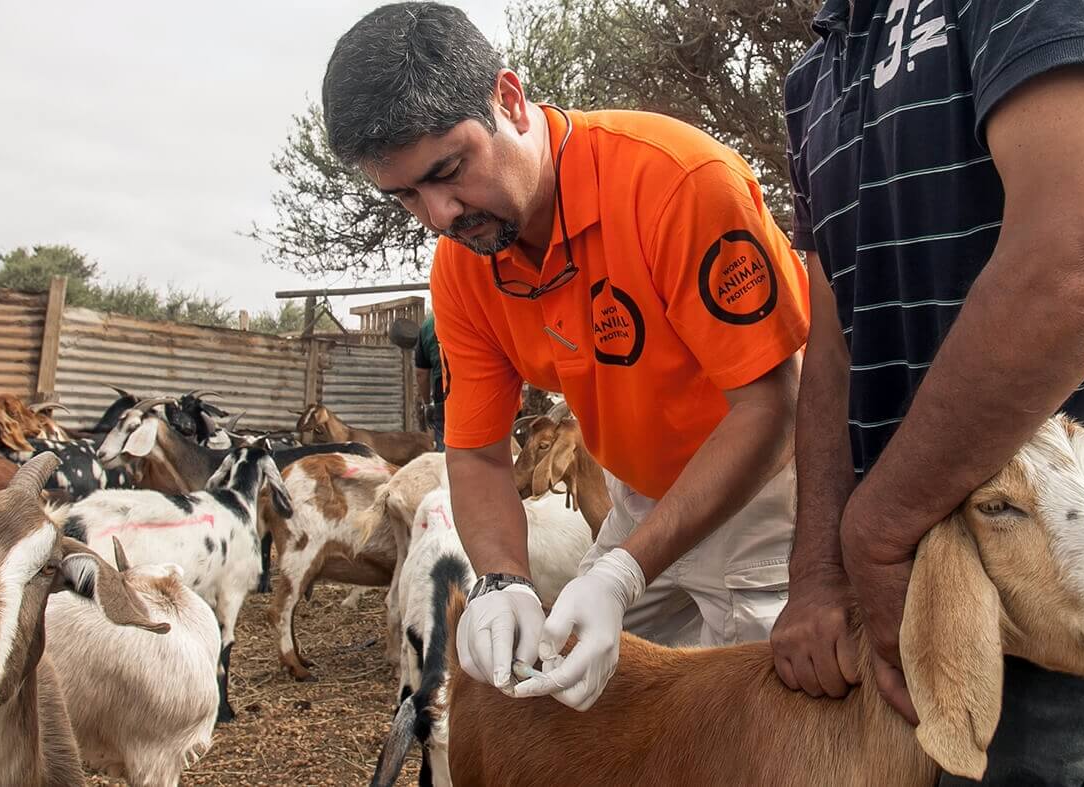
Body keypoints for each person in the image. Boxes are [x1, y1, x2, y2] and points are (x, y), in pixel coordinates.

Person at [776, 0, 1084, 783]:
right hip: (927, 556)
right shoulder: (814, 74)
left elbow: (1082, 260)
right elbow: (832, 340)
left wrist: (877, 530)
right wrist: (817, 569)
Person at [322, 2, 812, 711]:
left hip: (772, 488)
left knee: (772, 725)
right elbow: (479, 454)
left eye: (450, 170)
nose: (439, 216)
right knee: (577, 698)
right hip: (643, 499)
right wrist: (502, 580)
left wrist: (622, 573)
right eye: (406, 197)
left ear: (510, 100)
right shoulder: (465, 268)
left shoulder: (677, 183)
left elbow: (774, 405)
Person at [414, 311, 446, 449]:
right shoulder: (477, 311)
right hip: (480, 386)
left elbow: (422, 373)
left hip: (444, 389)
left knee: (448, 446)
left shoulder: (428, 325)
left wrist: (428, 405)